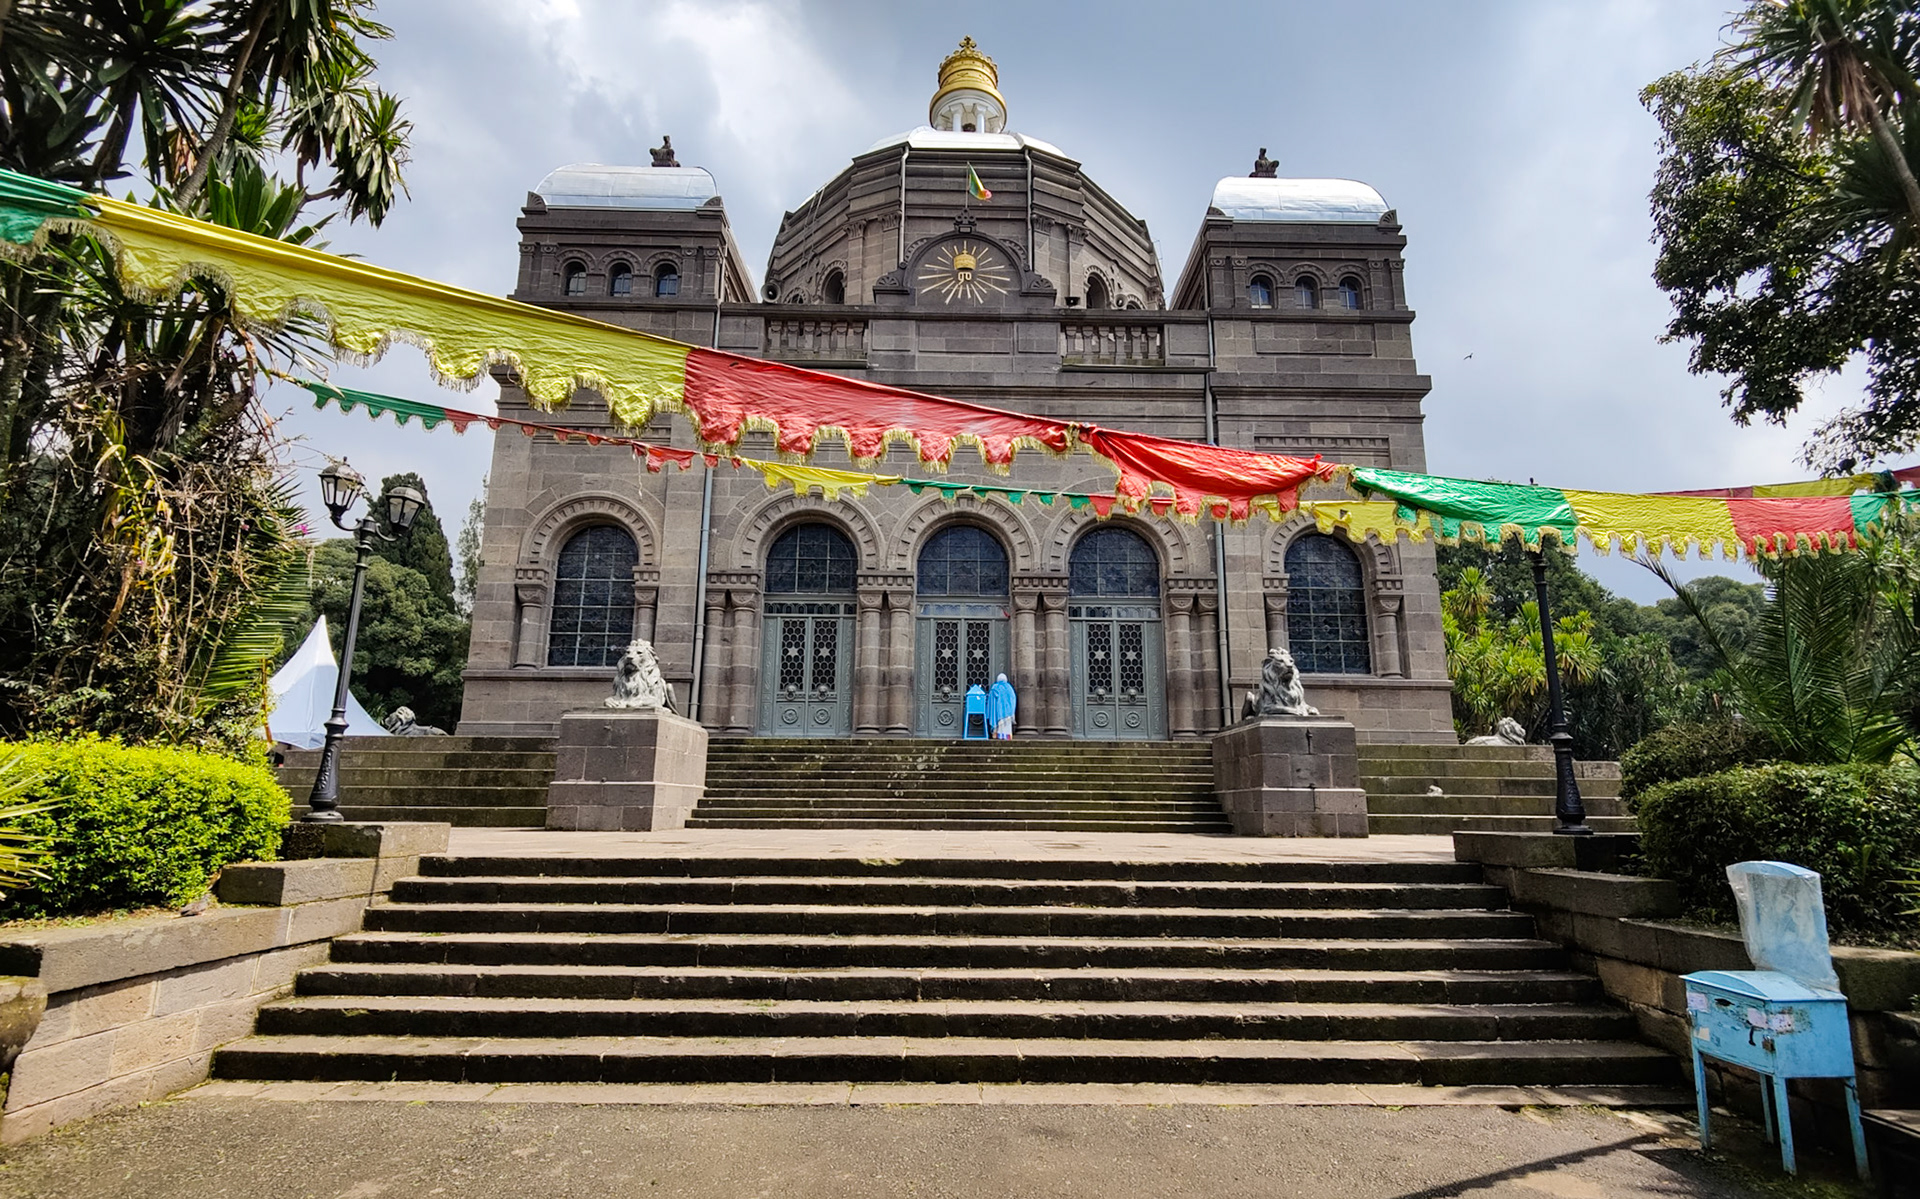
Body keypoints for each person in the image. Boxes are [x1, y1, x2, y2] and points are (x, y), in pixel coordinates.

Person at [987, 673, 1016, 740]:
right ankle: (1007, 737)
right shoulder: (1009, 688)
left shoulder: (995, 687)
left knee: (999, 726)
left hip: (998, 711)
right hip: (1008, 712)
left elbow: (992, 701)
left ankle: (998, 736)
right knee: (1007, 727)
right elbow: (1013, 699)